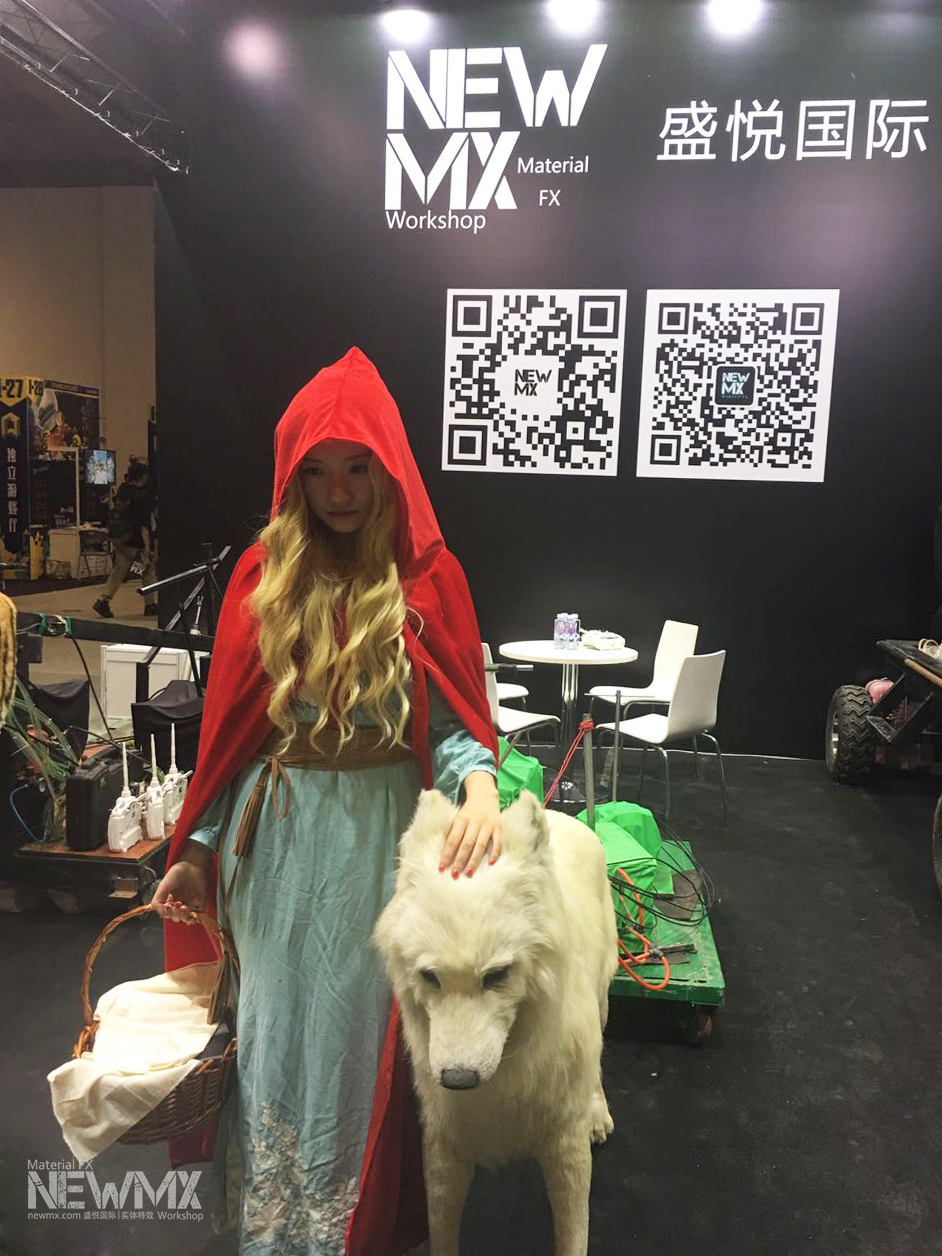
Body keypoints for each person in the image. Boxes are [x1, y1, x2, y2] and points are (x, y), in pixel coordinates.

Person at [152, 347, 501, 1256]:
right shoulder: (262, 577)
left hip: (375, 844)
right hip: (274, 844)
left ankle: (350, 1226)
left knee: (361, 1033)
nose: (338, 492)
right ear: (292, 477)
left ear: (388, 471)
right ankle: (278, 1229)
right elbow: (234, 738)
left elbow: (456, 720)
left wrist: (479, 784)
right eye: (317, 471)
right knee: (271, 1029)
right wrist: (198, 847)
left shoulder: (428, 579)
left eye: (356, 468)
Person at [93, 461, 157, 617]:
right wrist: (148, 547)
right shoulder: (144, 497)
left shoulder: (123, 491)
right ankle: (150, 604)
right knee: (148, 569)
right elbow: (144, 525)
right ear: (144, 476)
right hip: (135, 541)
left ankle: (103, 600)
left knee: (120, 570)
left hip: (120, 538)